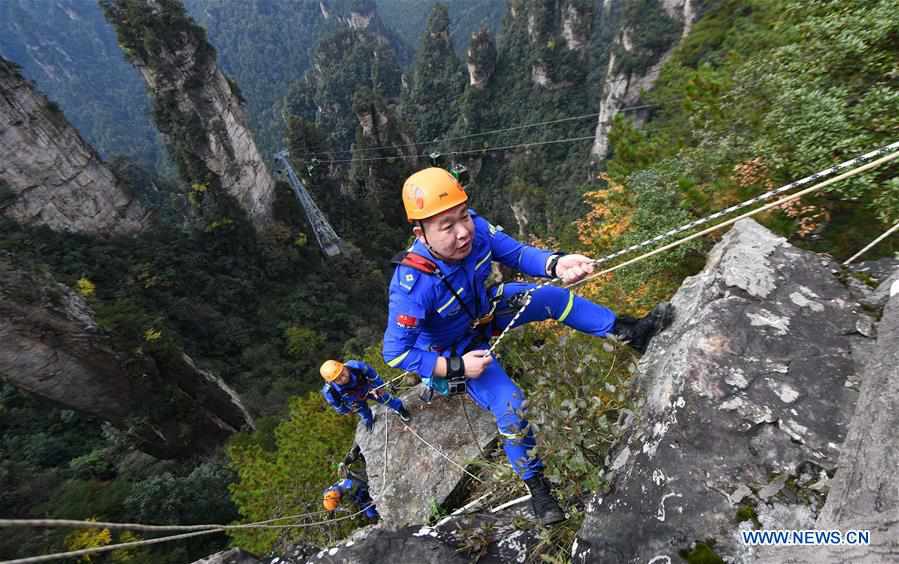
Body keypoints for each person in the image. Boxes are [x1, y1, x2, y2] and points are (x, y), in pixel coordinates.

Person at [381, 168, 673, 525]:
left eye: (462, 217)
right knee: (511, 405)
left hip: (486, 313)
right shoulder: (412, 286)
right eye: (447, 226)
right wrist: (456, 369)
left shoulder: (477, 229)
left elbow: (518, 255)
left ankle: (631, 333)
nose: (462, 232)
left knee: (551, 296)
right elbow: (396, 353)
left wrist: (557, 262)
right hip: (457, 352)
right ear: (420, 233)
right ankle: (539, 491)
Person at [320, 359, 411, 431]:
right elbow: (337, 405)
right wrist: (347, 411)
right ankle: (369, 421)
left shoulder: (356, 366)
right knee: (363, 412)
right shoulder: (330, 391)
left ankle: (400, 409)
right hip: (354, 399)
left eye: (343, 374)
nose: (343, 379)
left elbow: (373, 375)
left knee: (386, 399)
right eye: (338, 379)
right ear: (331, 381)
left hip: (369, 388)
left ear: (344, 367)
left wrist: (379, 387)